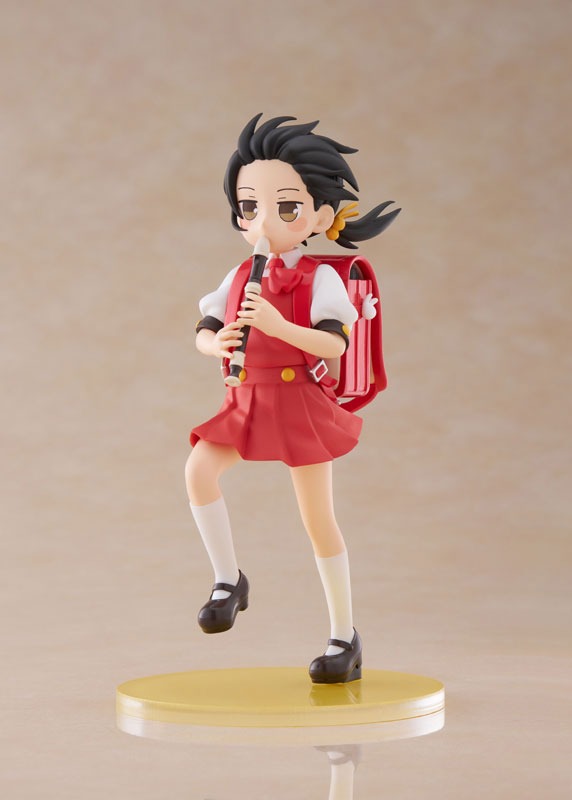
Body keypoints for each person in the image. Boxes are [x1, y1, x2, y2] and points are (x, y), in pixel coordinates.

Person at [185, 114, 399, 683]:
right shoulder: (238, 274)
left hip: (298, 401)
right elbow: (206, 326)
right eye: (248, 207)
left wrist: (279, 326)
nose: (262, 222)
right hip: (246, 399)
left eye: (285, 209)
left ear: (320, 217)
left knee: (317, 518)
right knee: (198, 472)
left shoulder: (320, 279)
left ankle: (343, 636)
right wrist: (214, 344)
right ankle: (228, 580)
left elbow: (334, 343)